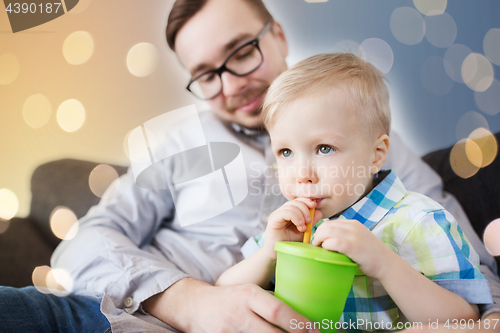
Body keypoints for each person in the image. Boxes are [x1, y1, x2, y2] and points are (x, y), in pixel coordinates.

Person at [0, 0, 498, 332]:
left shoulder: (367, 137)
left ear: (277, 34)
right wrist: (190, 303)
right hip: (122, 313)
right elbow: (84, 242)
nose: (231, 84)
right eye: (205, 75)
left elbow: (468, 269)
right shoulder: (178, 143)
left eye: (241, 52)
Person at [216, 52, 492, 329]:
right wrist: (270, 254)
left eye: (324, 148)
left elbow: (464, 320)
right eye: (286, 152)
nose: (302, 174)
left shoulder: (418, 222)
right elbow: (222, 294)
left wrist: (385, 264)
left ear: (376, 154)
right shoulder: (291, 229)